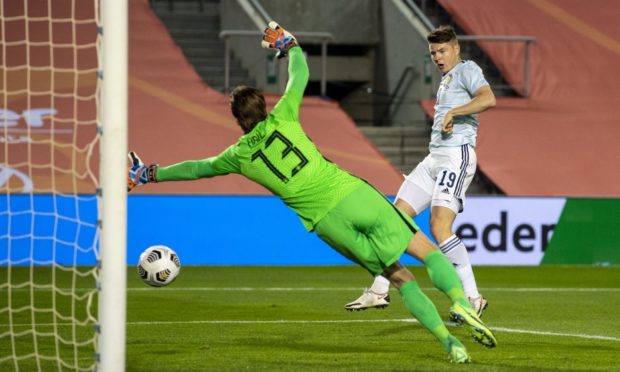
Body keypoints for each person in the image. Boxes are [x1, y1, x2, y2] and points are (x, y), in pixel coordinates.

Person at [127, 22, 496, 363]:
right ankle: (461, 301)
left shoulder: (237, 156)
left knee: (400, 279)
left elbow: (196, 168)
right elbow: (299, 73)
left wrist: (149, 174)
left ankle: (450, 344)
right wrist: (290, 45)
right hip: (352, 194)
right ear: (264, 105)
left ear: (239, 120)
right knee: (426, 249)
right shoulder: (284, 115)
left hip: (325, 223)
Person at [345, 25, 496, 316]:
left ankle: (473, 298)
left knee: (439, 227)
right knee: (393, 219)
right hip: (434, 158)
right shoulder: (446, 79)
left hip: (456, 155)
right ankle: (379, 289)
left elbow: (488, 98)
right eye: (433, 53)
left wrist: (454, 112)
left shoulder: (467, 70)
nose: (438, 57)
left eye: (442, 51)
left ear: (456, 49)